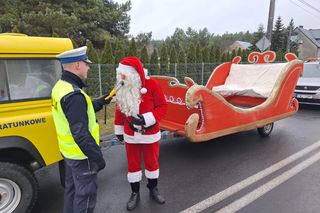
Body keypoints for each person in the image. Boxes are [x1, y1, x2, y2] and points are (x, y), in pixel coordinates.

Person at [51, 46, 113, 213]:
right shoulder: (74, 95)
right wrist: (97, 157)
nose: (89, 67)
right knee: (85, 197)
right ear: (77, 65)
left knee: (72, 192)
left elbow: (78, 111)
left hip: (69, 154)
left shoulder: (60, 86)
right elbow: (80, 133)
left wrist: (103, 100)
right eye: (86, 64)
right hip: (82, 157)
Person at [114, 56, 168, 211]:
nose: (121, 77)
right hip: (130, 134)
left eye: (123, 75)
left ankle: (153, 188)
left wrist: (146, 119)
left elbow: (163, 107)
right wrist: (118, 129)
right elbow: (119, 110)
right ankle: (134, 193)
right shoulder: (122, 86)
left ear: (133, 74)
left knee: (152, 163)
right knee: (133, 165)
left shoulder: (152, 84)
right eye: (120, 74)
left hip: (150, 133)